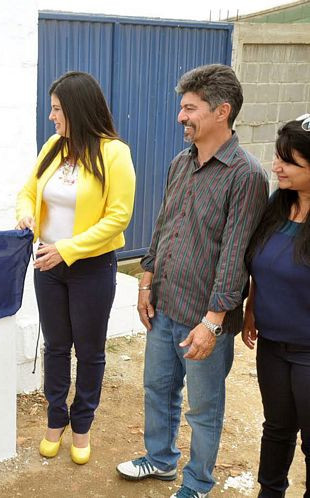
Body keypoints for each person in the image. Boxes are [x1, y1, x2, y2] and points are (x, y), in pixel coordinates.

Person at [116, 64, 268, 498]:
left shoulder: (246, 175)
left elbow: (235, 255)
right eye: (182, 108)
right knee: (157, 388)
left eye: (190, 108)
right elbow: (163, 225)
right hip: (165, 305)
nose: (181, 117)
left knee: (203, 408)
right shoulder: (180, 163)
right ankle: (160, 460)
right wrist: (146, 282)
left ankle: (198, 482)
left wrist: (214, 320)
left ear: (222, 111)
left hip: (206, 318)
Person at [16, 71, 136, 465]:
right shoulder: (53, 146)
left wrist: (67, 249)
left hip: (90, 268)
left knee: (89, 351)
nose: (51, 117)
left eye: (56, 109)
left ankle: (81, 426)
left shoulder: (114, 153)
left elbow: (118, 218)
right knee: (54, 347)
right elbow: (29, 191)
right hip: (47, 264)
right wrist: (25, 216)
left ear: (77, 110)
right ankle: (55, 421)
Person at [242, 115, 310, 498]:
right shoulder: (276, 205)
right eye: (277, 157)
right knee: (277, 427)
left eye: (289, 162)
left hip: (308, 351)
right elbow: (261, 264)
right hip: (271, 344)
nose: (276, 167)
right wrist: (252, 307)